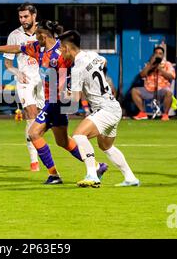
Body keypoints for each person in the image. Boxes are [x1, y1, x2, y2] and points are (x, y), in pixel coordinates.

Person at [0, 20, 107, 185]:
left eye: (37, 34)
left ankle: (54, 175)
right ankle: (96, 166)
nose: (35, 37)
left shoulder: (62, 50)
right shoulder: (38, 47)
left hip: (57, 102)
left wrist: (98, 60)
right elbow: (16, 48)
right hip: (51, 101)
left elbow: (79, 60)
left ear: (44, 35)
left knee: (34, 133)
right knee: (63, 141)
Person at [59, 30, 140, 188]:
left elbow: (75, 100)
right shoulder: (93, 55)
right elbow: (104, 62)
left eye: (61, 48)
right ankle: (130, 178)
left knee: (78, 135)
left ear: (67, 48)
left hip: (104, 109)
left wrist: (61, 95)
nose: (61, 52)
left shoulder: (77, 69)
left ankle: (92, 174)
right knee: (106, 146)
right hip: (113, 107)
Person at [4, 3, 44, 172]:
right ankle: (34, 160)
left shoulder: (44, 33)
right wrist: (16, 72)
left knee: (42, 120)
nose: (23, 20)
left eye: (26, 16)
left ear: (34, 16)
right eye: (20, 17)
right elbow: (7, 63)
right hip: (25, 81)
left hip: (44, 80)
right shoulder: (14, 35)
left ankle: (38, 147)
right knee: (31, 116)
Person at [131, 45, 175, 121]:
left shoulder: (167, 64)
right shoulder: (149, 64)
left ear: (163, 55)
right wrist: (150, 65)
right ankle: (142, 113)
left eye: (160, 53)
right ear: (153, 54)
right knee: (134, 91)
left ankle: (165, 115)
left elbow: (172, 76)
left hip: (162, 90)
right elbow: (142, 75)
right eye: (156, 53)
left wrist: (160, 69)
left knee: (169, 92)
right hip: (148, 90)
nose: (158, 55)